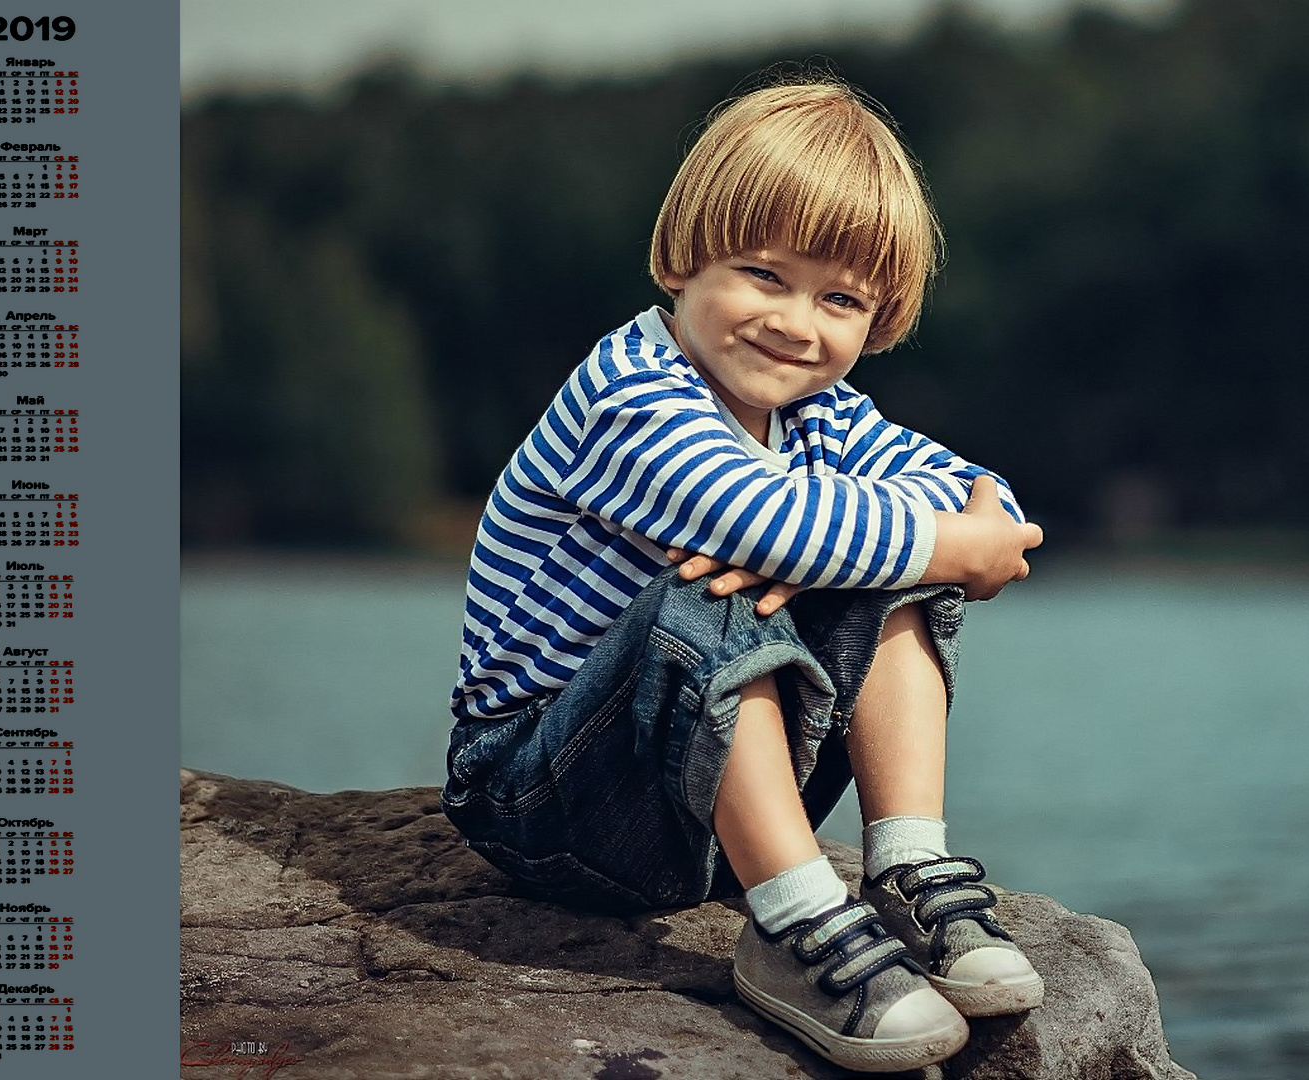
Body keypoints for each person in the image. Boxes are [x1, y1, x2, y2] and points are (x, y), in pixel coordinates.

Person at [441, 77, 1045, 1073]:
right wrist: (920, 545)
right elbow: (762, 521)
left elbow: (986, 503)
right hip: (543, 798)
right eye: (764, 275)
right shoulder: (628, 394)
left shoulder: (822, 412)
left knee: (886, 564)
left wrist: (899, 546)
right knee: (719, 592)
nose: (797, 324)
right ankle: (795, 926)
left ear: (878, 318)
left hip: (709, 820)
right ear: (685, 259)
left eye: (840, 300)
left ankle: (907, 864)